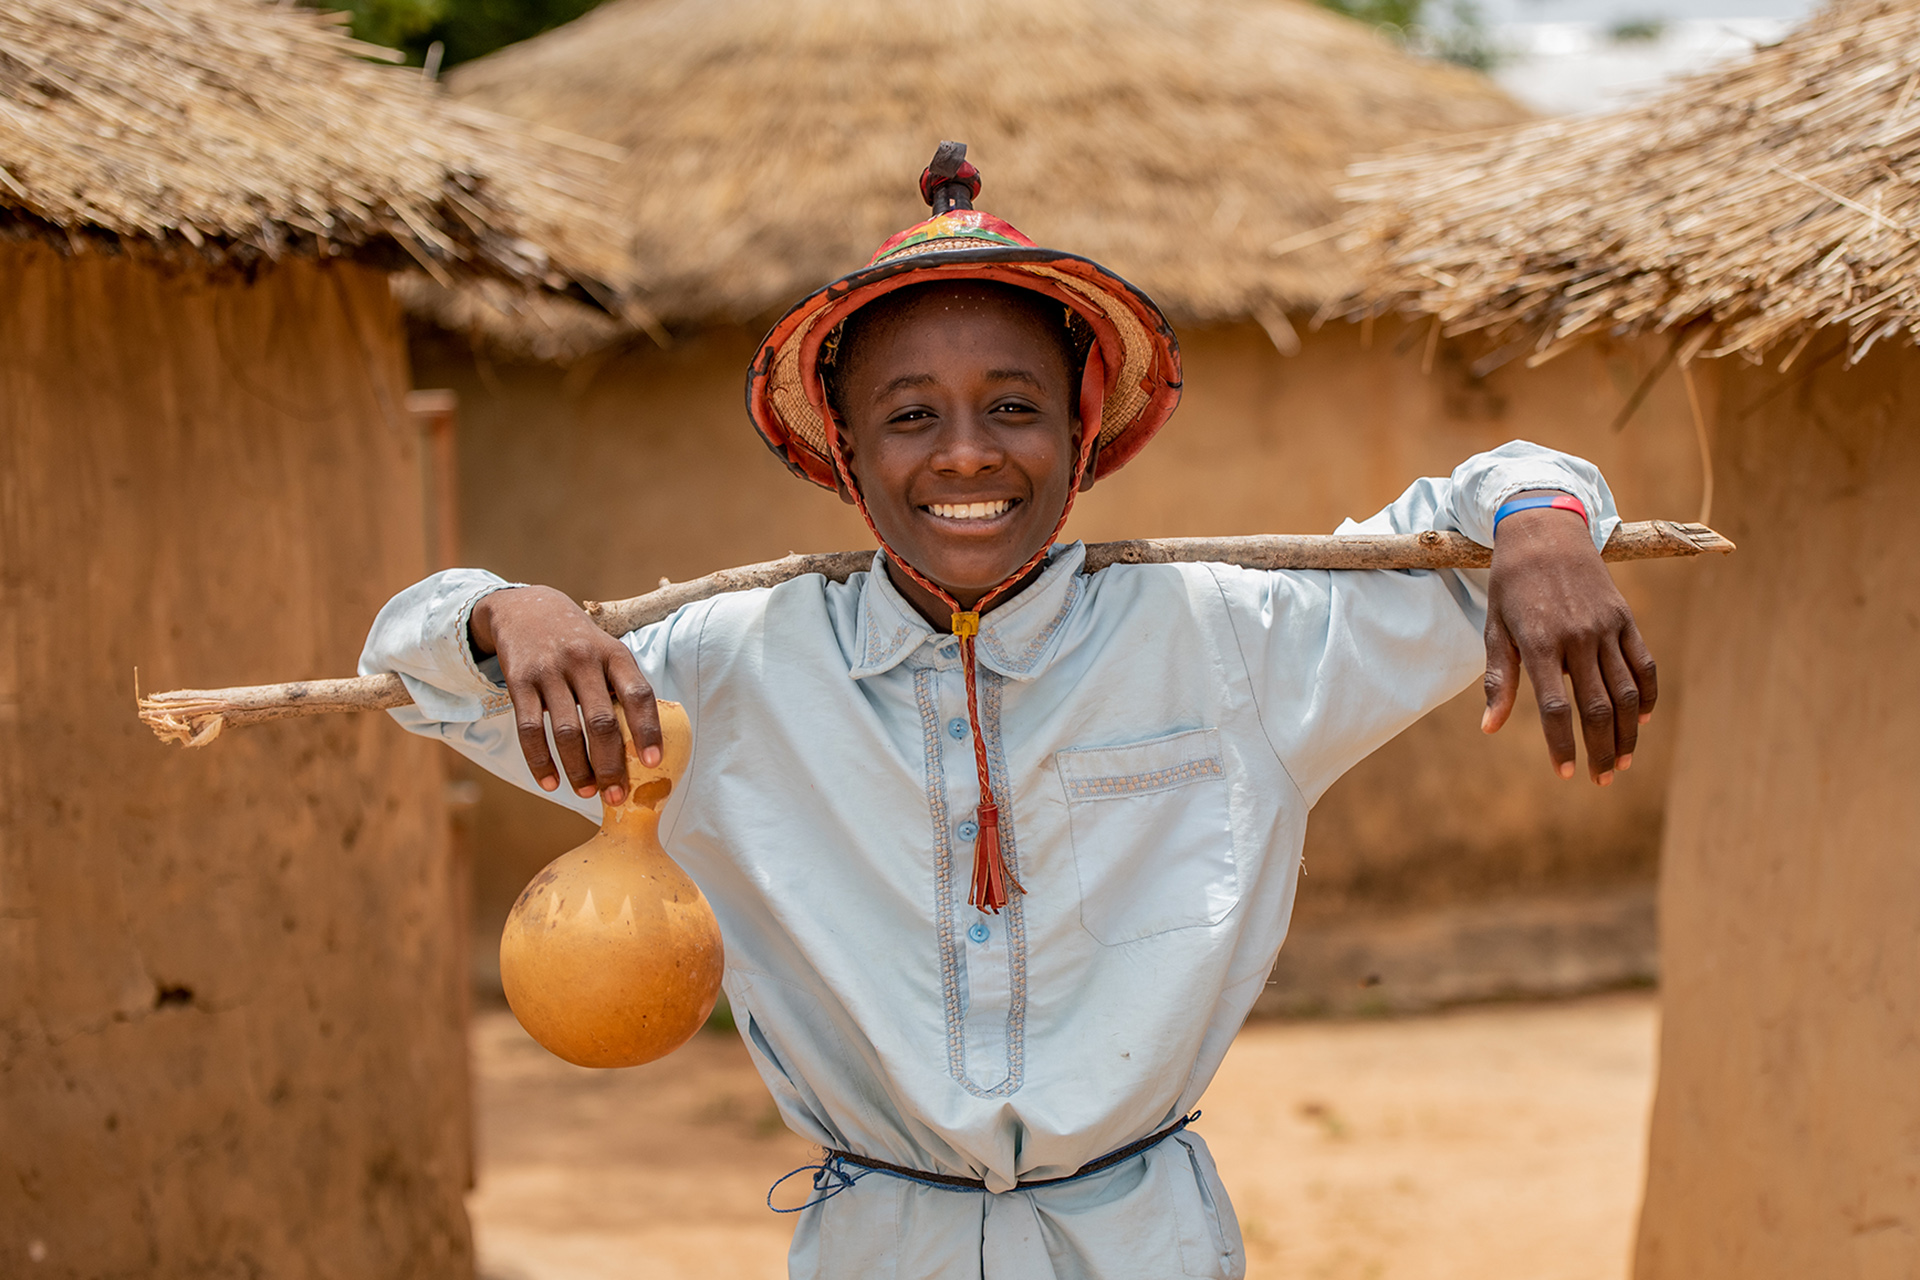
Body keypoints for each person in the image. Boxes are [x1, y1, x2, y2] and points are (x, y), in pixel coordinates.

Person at [361, 144, 1655, 1279]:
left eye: (1016, 408)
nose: (968, 454)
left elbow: (1492, 495)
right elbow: (424, 678)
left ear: (1086, 429)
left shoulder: (1228, 640)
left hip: (1142, 1246)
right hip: (878, 1250)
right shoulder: (721, 676)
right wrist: (503, 611)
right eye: (911, 416)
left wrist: (1539, 531)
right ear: (847, 452)